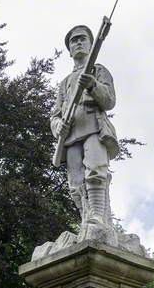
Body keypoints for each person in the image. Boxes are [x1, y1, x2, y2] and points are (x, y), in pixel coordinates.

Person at [51, 23, 119, 236]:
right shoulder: (64, 84)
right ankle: (85, 219)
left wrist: (92, 85)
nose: (78, 42)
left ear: (91, 44)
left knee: (96, 171)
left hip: (94, 129)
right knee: (75, 183)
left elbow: (109, 101)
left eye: (82, 38)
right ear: (70, 50)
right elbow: (55, 115)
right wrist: (58, 126)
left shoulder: (99, 71)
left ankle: (97, 216)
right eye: (74, 40)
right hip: (71, 137)